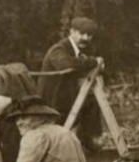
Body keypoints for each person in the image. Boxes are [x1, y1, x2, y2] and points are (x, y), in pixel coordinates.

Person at [38, 16, 104, 149]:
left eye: (89, 35)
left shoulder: (83, 50)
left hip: (68, 96)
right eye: (81, 33)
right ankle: (72, 146)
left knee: (92, 102)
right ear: (71, 32)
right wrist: (93, 62)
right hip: (52, 100)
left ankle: (86, 140)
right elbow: (65, 65)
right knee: (54, 136)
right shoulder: (59, 49)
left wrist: (97, 66)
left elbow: (82, 67)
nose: (85, 38)